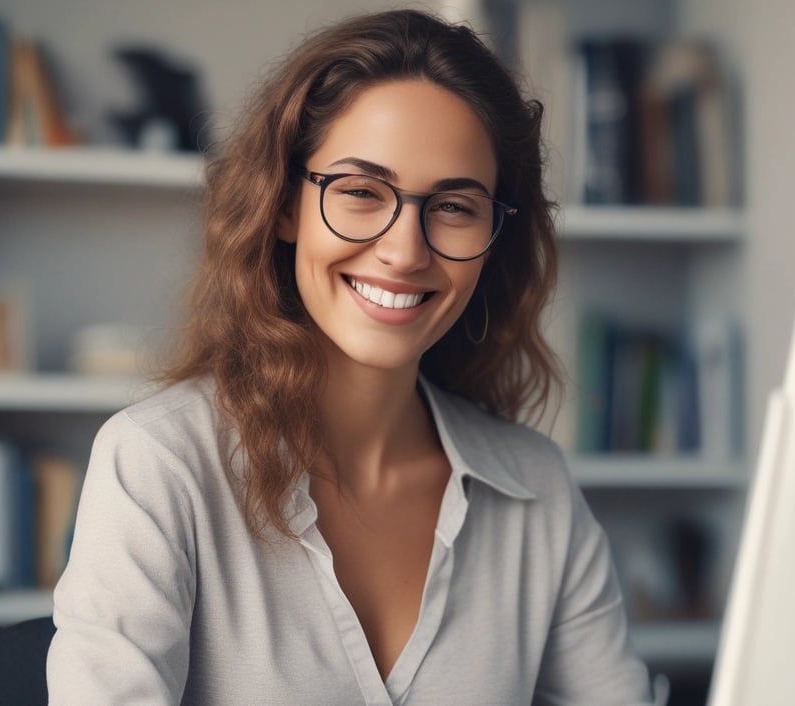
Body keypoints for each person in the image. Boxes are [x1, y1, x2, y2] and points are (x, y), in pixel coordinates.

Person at [46, 8, 664, 705]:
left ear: (494, 239)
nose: (405, 251)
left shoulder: (535, 489)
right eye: (361, 192)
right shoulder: (159, 463)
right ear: (285, 204)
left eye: (454, 207)